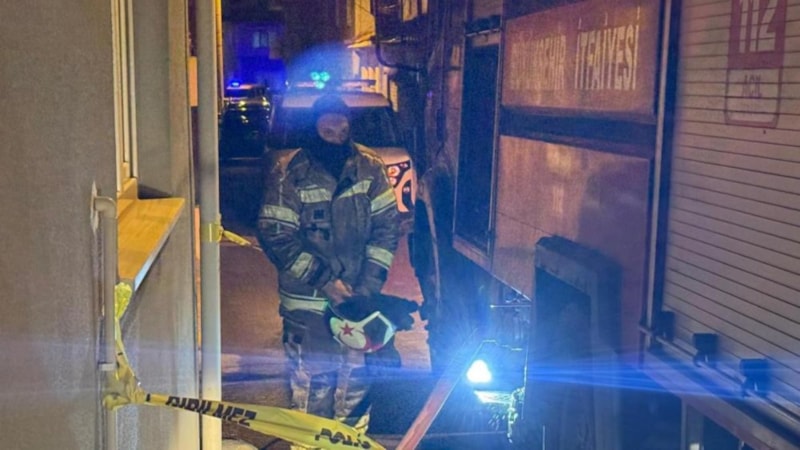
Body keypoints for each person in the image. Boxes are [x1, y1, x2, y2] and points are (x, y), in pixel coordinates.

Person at [256, 94, 400, 440]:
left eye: (342, 130)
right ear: (313, 129)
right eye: (327, 130)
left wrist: (366, 287)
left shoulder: (370, 167)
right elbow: (276, 235)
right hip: (308, 306)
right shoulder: (289, 173)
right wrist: (326, 282)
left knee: (358, 389)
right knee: (312, 387)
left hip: (359, 303)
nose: (336, 137)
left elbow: (386, 228)